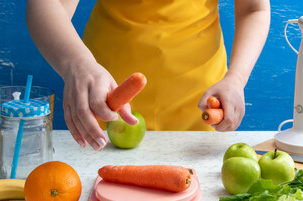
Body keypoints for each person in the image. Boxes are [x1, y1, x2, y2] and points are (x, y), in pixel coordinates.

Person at [26, 0, 271, 151]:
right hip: (103, 101)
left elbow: (253, 8)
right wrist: (77, 65)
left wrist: (236, 78)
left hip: (199, 108)